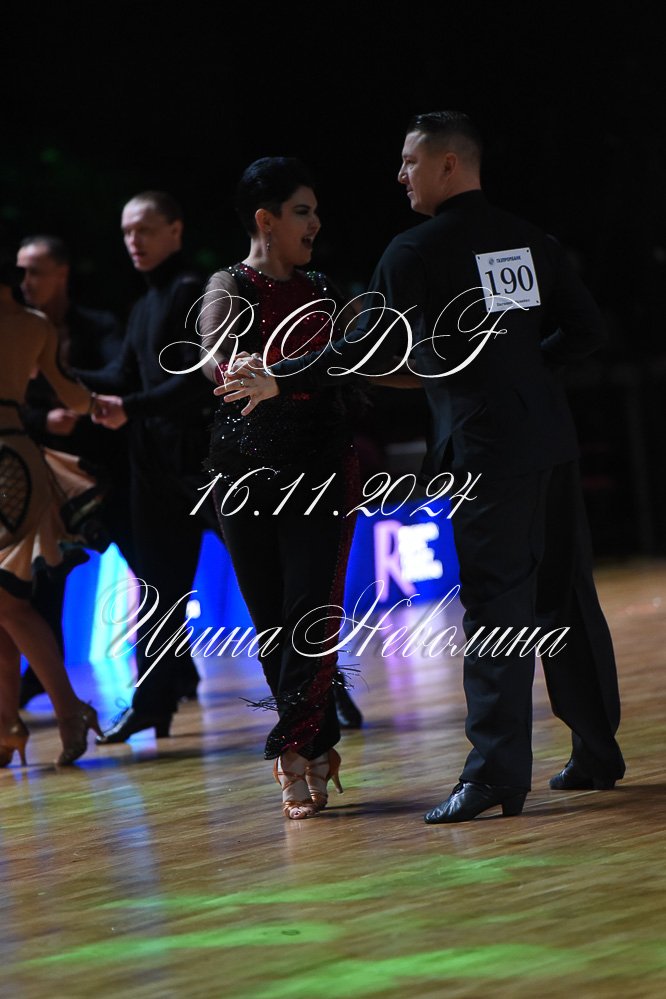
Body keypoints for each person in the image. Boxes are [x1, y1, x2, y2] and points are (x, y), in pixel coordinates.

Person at [221, 112, 625, 823]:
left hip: (485, 452)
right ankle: (597, 751)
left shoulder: (415, 250)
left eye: (410, 162)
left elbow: (359, 345)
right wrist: (523, 374)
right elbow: (587, 329)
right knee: (567, 599)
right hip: (549, 442)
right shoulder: (530, 239)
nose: (400, 175)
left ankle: (495, 774)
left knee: (497, 610)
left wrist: (281, 376)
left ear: (448, 165)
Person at [199, 157, 365, 819]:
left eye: (315, 211)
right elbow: (216, 360)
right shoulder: (229, 285)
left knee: (309, 612)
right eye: (302, 212)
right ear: (265, 220)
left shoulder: (323, 288)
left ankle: (291, 750)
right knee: (272, 621)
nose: (315, 223)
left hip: (321, 467)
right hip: (243, 472)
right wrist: (234, 365)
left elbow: (347, 361)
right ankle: (317, 744)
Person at [79, 191, 220, 742]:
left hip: (205, 463)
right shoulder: (144, 305)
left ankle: (324, 694)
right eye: (126, 232)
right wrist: (49, 371)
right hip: (154, 468)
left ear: (175, 230)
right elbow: (120, 375)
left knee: (264, 584)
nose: (132, 241)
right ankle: (153, 705)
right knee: (158, 592)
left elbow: (197, 380)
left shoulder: (193, 292)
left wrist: (129, 407)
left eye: (143, 229)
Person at [16, 234, 132, 708]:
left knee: (147, 564)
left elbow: (118, 377)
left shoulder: (94, 325)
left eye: (35, 271)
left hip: (102, 470)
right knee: (43, 576)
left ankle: (172, 673)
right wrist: (44, 419)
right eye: (20, 272)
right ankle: (42, 681)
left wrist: (75, 404)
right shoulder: (19, 328)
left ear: (61, 273)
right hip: (40, 473)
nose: (25, 282)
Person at [0, 247, 102, 766]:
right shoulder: (35, 325)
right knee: (2, 605)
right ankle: (6, 724)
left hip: (8, 472)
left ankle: (66, 710)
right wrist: (98, 403)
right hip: (18, 460)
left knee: (6, 602)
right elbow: (71, 394)